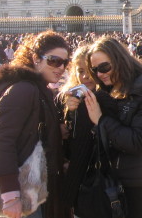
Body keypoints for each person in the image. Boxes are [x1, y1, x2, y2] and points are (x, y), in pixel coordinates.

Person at [83, 37, 142, 218]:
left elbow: (139, 141)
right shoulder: (106, 89)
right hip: (105, 179)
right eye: (95, 70)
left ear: (119, 60)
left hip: (131, 186)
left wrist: (101, 121)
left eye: (104, 67)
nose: (100, 74)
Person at [0, 31, 71, 218]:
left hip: (34, 186)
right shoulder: (24, 89)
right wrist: (10, 196)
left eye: (65, 62)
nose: (61, 67)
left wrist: (56, 131)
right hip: (23, 190)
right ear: (35, 58)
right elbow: (3, 141)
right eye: (54, 60)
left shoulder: (37, 88)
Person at [56, 45, 97, 215]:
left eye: (90, 71)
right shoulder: (64, 97)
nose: (85, 76)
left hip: (98, 179)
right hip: (71, 173)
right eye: (80, 71)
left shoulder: (108, 97)